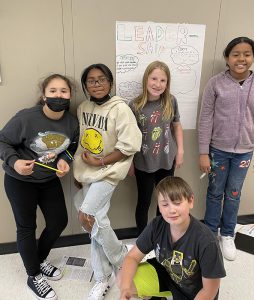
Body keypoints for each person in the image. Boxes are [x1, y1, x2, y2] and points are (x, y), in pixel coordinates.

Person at [0, 74, 79, 300]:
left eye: (63, 91)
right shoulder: (26, 118)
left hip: (48, 180)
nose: (58, 95)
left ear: (70, 95)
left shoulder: (72, 122)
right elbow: (2, 140)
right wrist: (14, 161)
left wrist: (66, 160)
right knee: (26, 228)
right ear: (43, 95)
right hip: (19, 182)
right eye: (52, 91)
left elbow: (71, 146)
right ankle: (33, 274)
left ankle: (39, 260)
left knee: (59, 222)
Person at [73, 63, 142, 300]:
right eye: (91, 81)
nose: (97, 84)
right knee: (96, 220)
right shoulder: (83, 107)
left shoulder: (120, 108)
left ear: (110, 82)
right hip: (87, 172)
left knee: (87, 216)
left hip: (109, 172)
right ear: (85, 86)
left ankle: (119, 264)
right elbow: (82, 143)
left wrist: (100, 162)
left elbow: (129, 145)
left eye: (102, 79)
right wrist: (79, 172)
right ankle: (108, 270)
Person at [198, 36, 254, 261]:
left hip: (245, 150)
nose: (241, 58)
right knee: (214, 193)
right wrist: (204, 151)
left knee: (233, 194)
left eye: (247, 54)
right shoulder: (215, 83)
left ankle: (227, 234)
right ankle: (210, 233)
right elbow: (205, 119)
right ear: (227, 58)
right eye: (236, 54)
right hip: (218, 151)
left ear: (252, 57)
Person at [117, 176, 226, 300]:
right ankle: (156, 297)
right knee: (122, 278)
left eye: (177, 203)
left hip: (194, 293)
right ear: (159, 206)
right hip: (168, 276)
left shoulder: (206, 241)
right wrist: (125, 288)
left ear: (190, 201)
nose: (171, 210)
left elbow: (209, 290)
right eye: (165, 204)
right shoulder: (156, 225)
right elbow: (132, 257)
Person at [129, 61, 184, 235]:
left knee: (166, 200)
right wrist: (129, 162)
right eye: (154, 78)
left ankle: (162, 234)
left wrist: (180, 150)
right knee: (144, 201)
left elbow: (176, 126)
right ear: (146, 79)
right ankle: (142, 237)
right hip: (143, 162)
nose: (157, 84)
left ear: (167, 84)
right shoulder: (135, 105)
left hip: (167, 160)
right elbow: (129, 137)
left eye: (163, 80)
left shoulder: (170, 101)